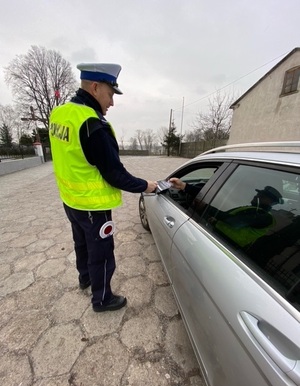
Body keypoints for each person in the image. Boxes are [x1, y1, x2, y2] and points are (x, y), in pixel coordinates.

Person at [49, 63, 157, 313]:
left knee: (81, 243)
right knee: (102, 253)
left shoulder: (59, 113)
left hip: (69, 200)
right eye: (110, 94)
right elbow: (115, 175)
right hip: (93, 205)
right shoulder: (93, 125)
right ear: (95, 88)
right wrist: (146, 185)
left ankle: (85, 277)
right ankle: (102, 299)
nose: (112, 103)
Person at [169, 178, 283, 248]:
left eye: (261, 195)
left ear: (270, 201)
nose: (256, 195)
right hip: (216, 237)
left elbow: (234, 222)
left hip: (228, 247)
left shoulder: (266, 217)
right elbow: (223, 211)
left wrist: (206, 207)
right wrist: (184, 186)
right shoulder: (250, 209)